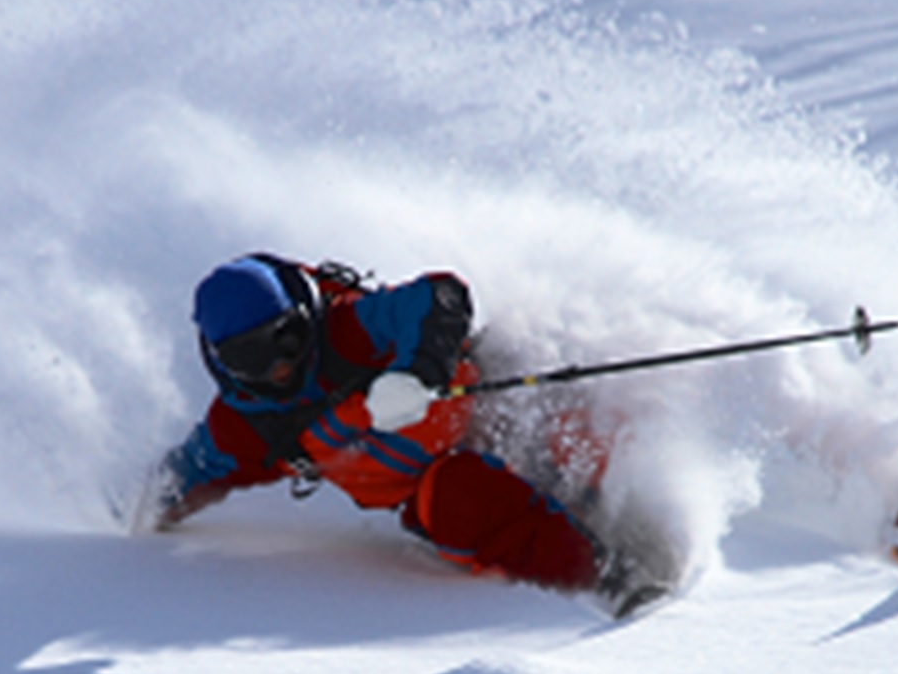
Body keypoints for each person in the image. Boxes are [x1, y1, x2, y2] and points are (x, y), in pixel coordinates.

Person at [137, 252, 663, 612]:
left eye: (288, 339)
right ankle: (609, 582)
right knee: (462, 495)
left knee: (585, 424)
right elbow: (186, 474)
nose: (278, 365)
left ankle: (645, 514)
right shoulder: (245, 426)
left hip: (500, 410)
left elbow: (439, 296)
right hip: (442, 488)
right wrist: (137, 510)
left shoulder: (345, 329)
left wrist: (417, 373)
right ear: (223, 363)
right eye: (252, 358)